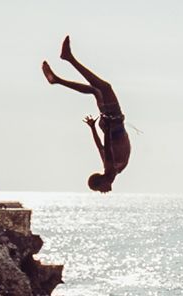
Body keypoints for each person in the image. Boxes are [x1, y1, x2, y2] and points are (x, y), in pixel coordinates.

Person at [41, 36, 130, 192]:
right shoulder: (111, 170)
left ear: (101, 181)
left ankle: (68, 60)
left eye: (99, 189)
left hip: (112, 122)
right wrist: (94, 128)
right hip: (110, 123)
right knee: (96, 90)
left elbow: (105, 147)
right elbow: (102, 147)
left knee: (105, 88)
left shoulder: (109, 171)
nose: (103, 191)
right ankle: (57, 78)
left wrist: (101, 129)